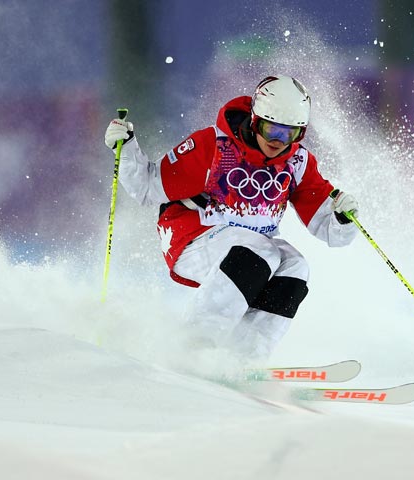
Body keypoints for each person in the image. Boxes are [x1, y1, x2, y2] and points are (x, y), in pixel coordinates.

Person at [103, 75, 359, 362]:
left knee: (295, 265)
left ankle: (247, 354)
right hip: (191, 238)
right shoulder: (214, 147)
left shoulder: (297, 162)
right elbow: (148, 187)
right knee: (260, 251)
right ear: (254, 120)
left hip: (247, 251)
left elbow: (327, 228)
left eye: (289, 134)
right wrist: (126, 150)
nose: (278, 141)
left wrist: (342, 219)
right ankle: (194, 344)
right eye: (270, 129)